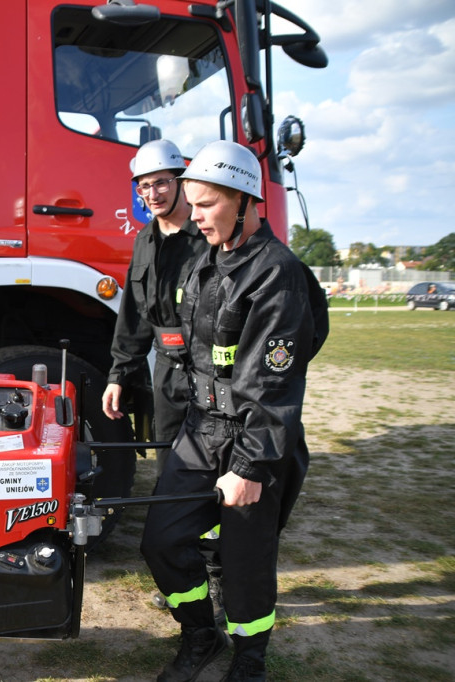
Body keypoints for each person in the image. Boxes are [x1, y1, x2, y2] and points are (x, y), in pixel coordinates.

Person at [139, 140, 328, 682]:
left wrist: (249, 468)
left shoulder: (277, 273)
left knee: (245, 562)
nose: (193, 217)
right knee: (162, 541)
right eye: (192, 204)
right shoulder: (206, 260)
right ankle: (200, 635)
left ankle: (250, 658)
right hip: (200, 430)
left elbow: (275, 383)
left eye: (205, 205)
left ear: (245, 201)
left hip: (253, 439)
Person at [101, 139, 210, 611]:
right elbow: (134, 317)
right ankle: (183, 576)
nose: (155, 193)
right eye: (145, 186)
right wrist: (119, 374)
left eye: (163, 182)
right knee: (172, 473)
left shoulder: (208, 236)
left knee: (217, 470)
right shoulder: (145, 241)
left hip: (210, 371)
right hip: (166, 374)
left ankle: (224, 575)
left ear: (181, 181)